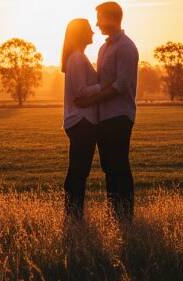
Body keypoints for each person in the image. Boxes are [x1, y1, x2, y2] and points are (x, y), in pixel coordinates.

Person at [75, 1, 138, 221]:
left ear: (111, 18)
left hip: (119, 115)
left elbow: (121, 85)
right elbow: (102, 82)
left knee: (119, 165)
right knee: (109, 167)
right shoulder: (104, 48)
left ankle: (125, 217)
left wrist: (91, 100)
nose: (97, 24)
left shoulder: (126, 47)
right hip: (104, 117)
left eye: (99, 18)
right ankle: (114, 216)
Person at [61, 18, 104, 220]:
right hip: (81, 121)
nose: (93, 32)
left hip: (80, 122)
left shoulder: (78, 57)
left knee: (77, 171)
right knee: (79, 172)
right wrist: (104, 86)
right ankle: (73, 215)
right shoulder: (77, 58)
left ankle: (73, 215)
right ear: (80, 34)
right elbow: (80, 91)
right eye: (88, 30)